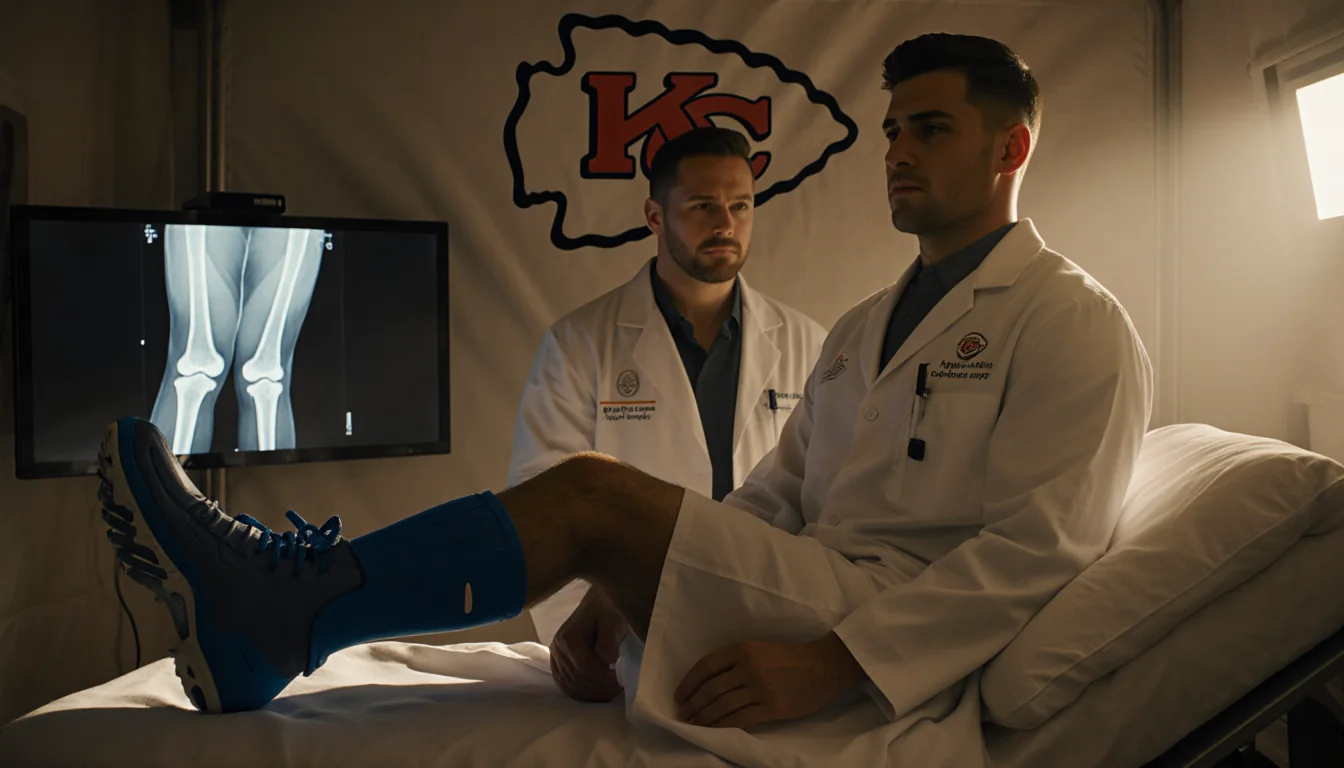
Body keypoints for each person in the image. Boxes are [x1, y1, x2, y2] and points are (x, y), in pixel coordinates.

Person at [95, 32, 1152, 759]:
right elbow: (778, 496)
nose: (896, 152)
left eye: (929, 130)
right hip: (815, 584)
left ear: (1011, 149)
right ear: (657, 215)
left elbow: (1036, 554)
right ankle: (282, 614)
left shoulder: (1068, 319)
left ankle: (289, 608)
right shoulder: (873, 323)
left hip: (878, 635)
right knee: (594, 508)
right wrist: (611, 586)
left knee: (594, 494)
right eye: (892, 132)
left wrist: (834, 666)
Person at [509, 126, 825, 645]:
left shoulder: (808, 342)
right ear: (655, 216)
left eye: (741, 206)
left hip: (770, 630)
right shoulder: (580, 343)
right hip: (625, 631)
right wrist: (584, 646)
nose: (726, 224)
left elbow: (824, 499)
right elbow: (547, 506)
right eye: (703, 206)